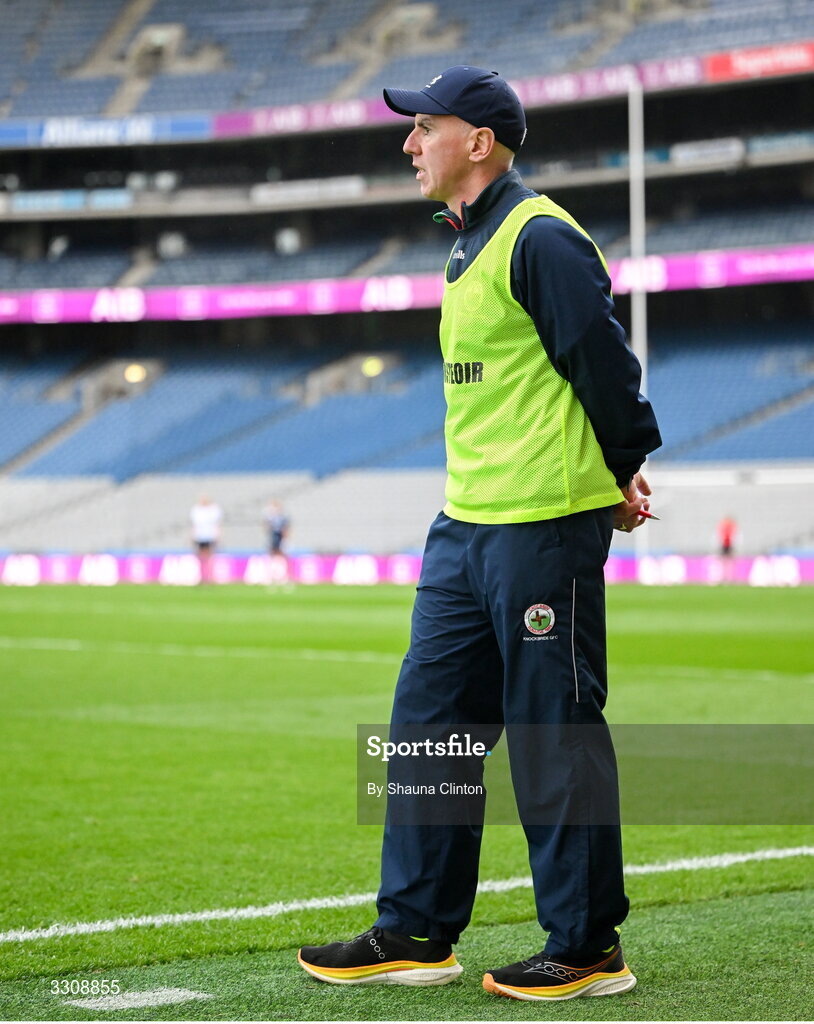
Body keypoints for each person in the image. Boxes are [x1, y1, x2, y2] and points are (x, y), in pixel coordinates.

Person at [298, 66, 661, 1001]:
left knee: (552, 733)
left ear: (481, 142)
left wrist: (620, 469)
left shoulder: (538, 235)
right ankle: (415, 930)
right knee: (426, 732)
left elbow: (603, 360)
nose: (409, 143)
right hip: (465, 528)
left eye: (424, 127)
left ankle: (587, 947)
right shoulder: (465, 246)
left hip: (541, 527)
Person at [189, 494, 222, 583]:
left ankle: (210, 576)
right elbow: (194, 525)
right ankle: (202, 576)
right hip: (200, 536)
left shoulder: (213, 510)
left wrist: (217, 535)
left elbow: (217, 524)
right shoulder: (196, 510)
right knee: (200, 557)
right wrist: (193, 535)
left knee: (210, 557)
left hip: (210, 536)